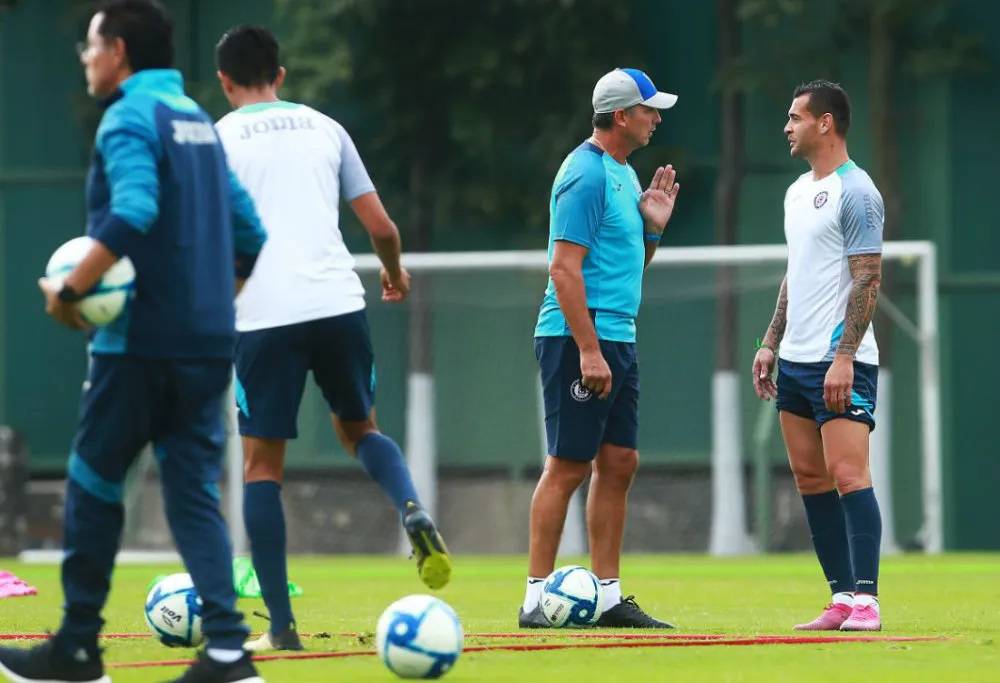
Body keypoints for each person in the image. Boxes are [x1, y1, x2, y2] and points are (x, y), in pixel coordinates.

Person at [0, 2, 269, 683]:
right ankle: (230, 653)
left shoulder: (128, 118)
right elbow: (251, 233)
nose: (85, 59)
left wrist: (68, 292)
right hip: (208, 342)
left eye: (90, 46)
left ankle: (79, 648)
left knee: (92, 483)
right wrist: (210, 304)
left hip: (139, 345)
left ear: (118, 50)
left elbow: (135, 209)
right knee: (191, 493)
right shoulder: (199, 123)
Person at [212, 25, 451, 651]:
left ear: (224, 81)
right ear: (281, 75)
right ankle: (411, 507)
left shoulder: (217, 140)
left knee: (262, 466)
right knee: (361, 430)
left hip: (263, 314)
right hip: (337, 303)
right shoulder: (325, 127)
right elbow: (381, 224)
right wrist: (394, 275)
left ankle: (282, 630)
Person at [521, 68, 679, 629]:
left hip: (618, 336)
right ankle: (535, 598)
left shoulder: (625, 176)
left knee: (619, 463)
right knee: (567, 466)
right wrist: (588, 351)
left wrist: (653, 230)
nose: (655, 118)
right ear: (620, 116)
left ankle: (608, 597)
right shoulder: (584, 174)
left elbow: (627, 269)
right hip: (575, 337)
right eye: (648, 110)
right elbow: (564, 270)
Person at [752, 80, 884, 632]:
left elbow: (868, 278)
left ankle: (869, 602)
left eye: (795, 117)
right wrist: (769, 341)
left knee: (849, 475)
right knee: (810, 479)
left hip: (841, 360)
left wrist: (844, 355)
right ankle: (841, 599)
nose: (787, 126)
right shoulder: (796, 192)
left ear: (825, 123)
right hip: (796, 363)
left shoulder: (858, 192)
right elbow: (796, 273)